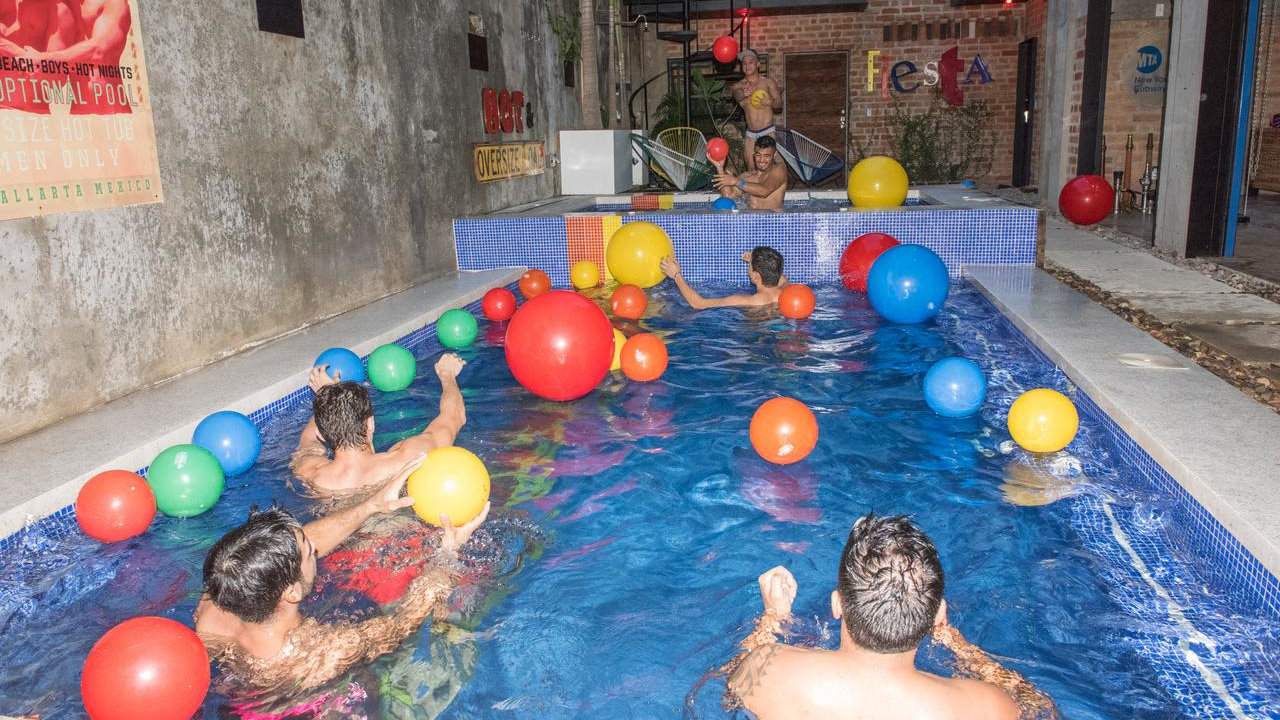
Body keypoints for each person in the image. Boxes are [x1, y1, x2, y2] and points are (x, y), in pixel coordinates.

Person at [195, 454, 492, 693]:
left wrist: (372, 505)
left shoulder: (216, 600)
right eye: (309, 551)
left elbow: (291, 550)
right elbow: (403, 623)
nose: (315, 547)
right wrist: (448, 555)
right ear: (292, 592)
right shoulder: (321, 652)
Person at [725, 514, 1056, 720]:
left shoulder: (769, 670)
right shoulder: (988, 707)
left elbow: (731, 688)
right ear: (936, 615)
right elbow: (1038, 705)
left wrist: (774, 618)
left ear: (837, 605)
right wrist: (956, 643)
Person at [292, 353, 467, 496]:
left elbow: (308, 443)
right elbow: (454, 417)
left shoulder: (310, 474)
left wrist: (327, 396)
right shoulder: (407, 460)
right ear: (370, 423)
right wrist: (447, 375)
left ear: (322, 435)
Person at [0, 0, 135, 114]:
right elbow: (56, 78)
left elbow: (99, 50)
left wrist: (44, 61)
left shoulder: (113, 2)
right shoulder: (61, 7)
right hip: (79, 116)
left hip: (112, 111)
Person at [660, 246, 786, 310]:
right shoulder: (786, 291)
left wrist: (676, 275)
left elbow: (699, 304)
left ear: (756, 276)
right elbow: (778, 275)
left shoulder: (745, 301)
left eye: (750, 267)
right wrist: (755, 263)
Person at [712, 135, 788, 212]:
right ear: (753, 155)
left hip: (773, 221)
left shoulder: (779, 169)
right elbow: (728, 197)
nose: (762, 160)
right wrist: (720, 168)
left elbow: (764, 191)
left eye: (766, 156)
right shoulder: (746, 177)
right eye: (758, 155)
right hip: (751, 222)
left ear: (774, 155)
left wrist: (736, 181)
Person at [731, 48, 782, 161]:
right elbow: (737, 95)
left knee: (773, 170)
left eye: (751, 62)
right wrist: (743, 93)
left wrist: (770, 102)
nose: (747, 66)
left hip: (768, 132)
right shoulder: (738, 86)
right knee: (751, 170)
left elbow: (779, 105)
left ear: (758, 64)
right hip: (751, 135)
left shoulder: (768, 82)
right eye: (744, 63)